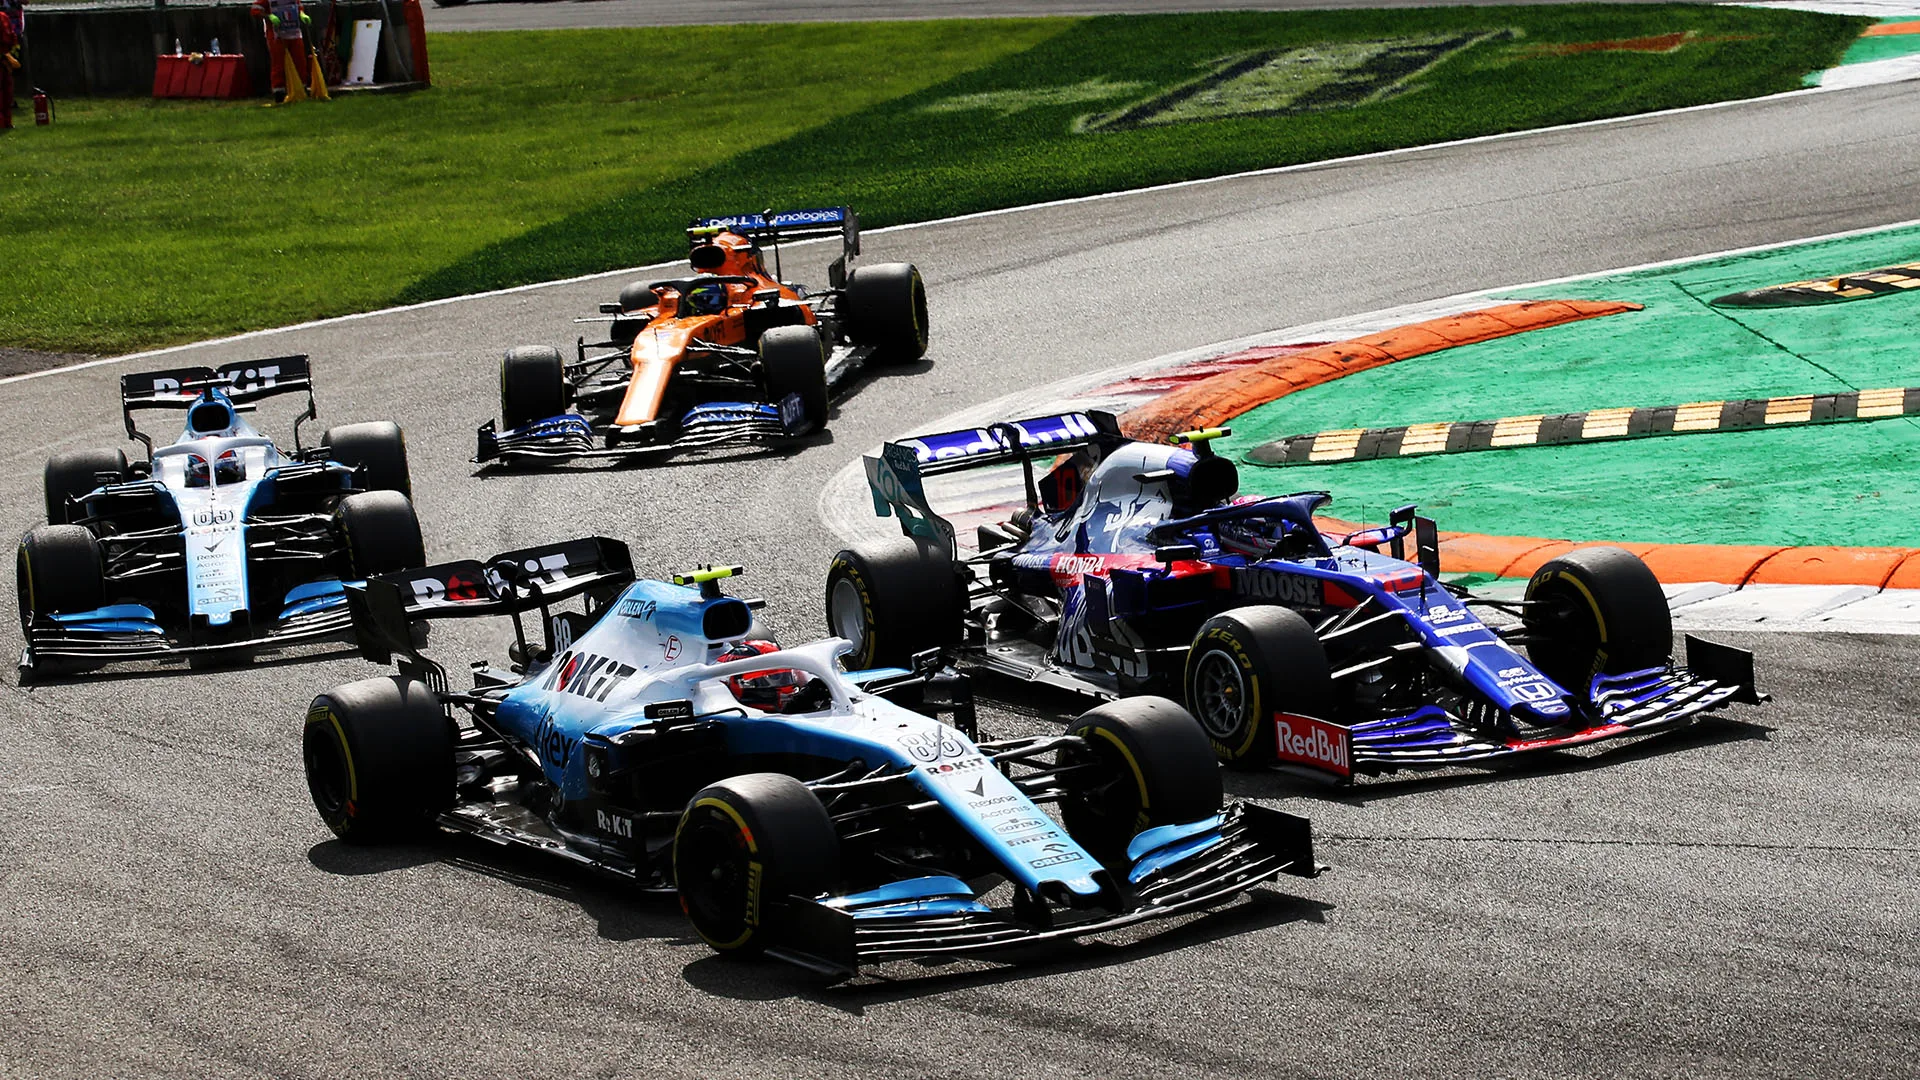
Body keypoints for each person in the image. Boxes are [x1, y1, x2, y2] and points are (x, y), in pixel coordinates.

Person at [249, 0, 312, 100]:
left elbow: (299, 6)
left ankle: (301, 87)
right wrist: (269, 16)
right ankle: (279, 92)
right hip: (277, 35)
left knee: (300, 61)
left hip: (294, 33)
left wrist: (302, 14)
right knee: (279, 64)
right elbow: (255, 10)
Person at [0, 0, 19, 133]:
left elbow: (11, 38)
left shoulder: (3, 17)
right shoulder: (3, 18)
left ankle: (6, 122)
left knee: (6, 93)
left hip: (3, 60)